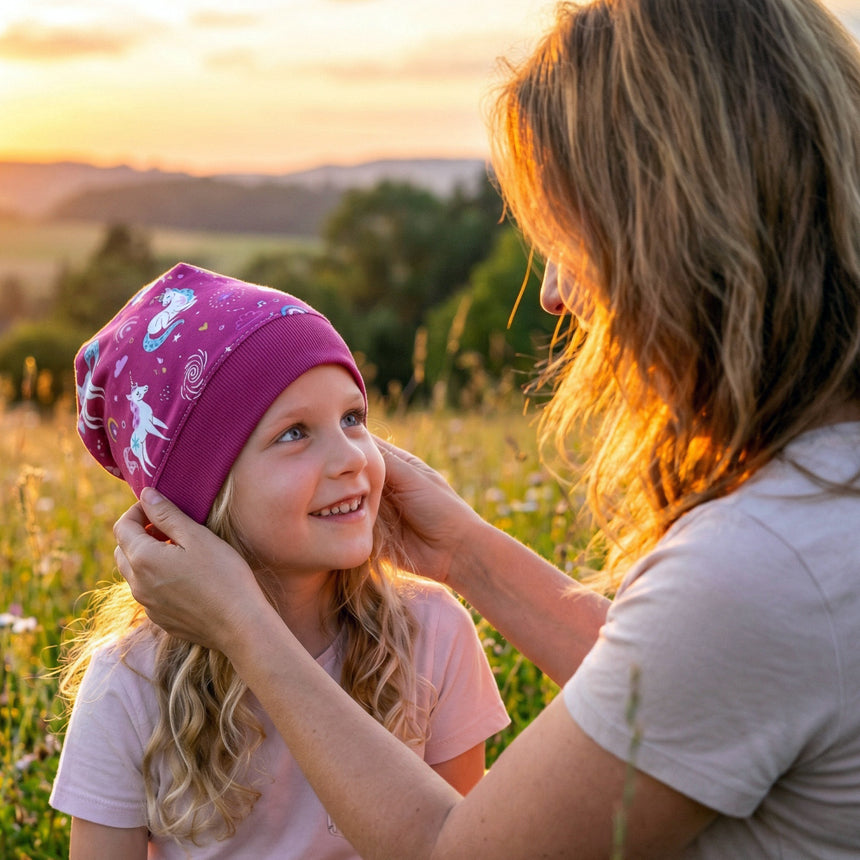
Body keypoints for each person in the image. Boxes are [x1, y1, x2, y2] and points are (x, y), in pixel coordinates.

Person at [112, 0, 860, 856]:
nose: (552, 292)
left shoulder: (766, 559)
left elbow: (451, 850)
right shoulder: (813, 503)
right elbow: (698, 693)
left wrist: (243, 626)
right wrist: (462, 552)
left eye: (569, 234)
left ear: (675, 233)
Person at [50, 262, 509, 859]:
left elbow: (462, 847)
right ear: (203, 497)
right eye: (294, 433)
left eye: (353, 418)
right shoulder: (130, 681)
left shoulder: (434, 631)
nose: (350, 457)